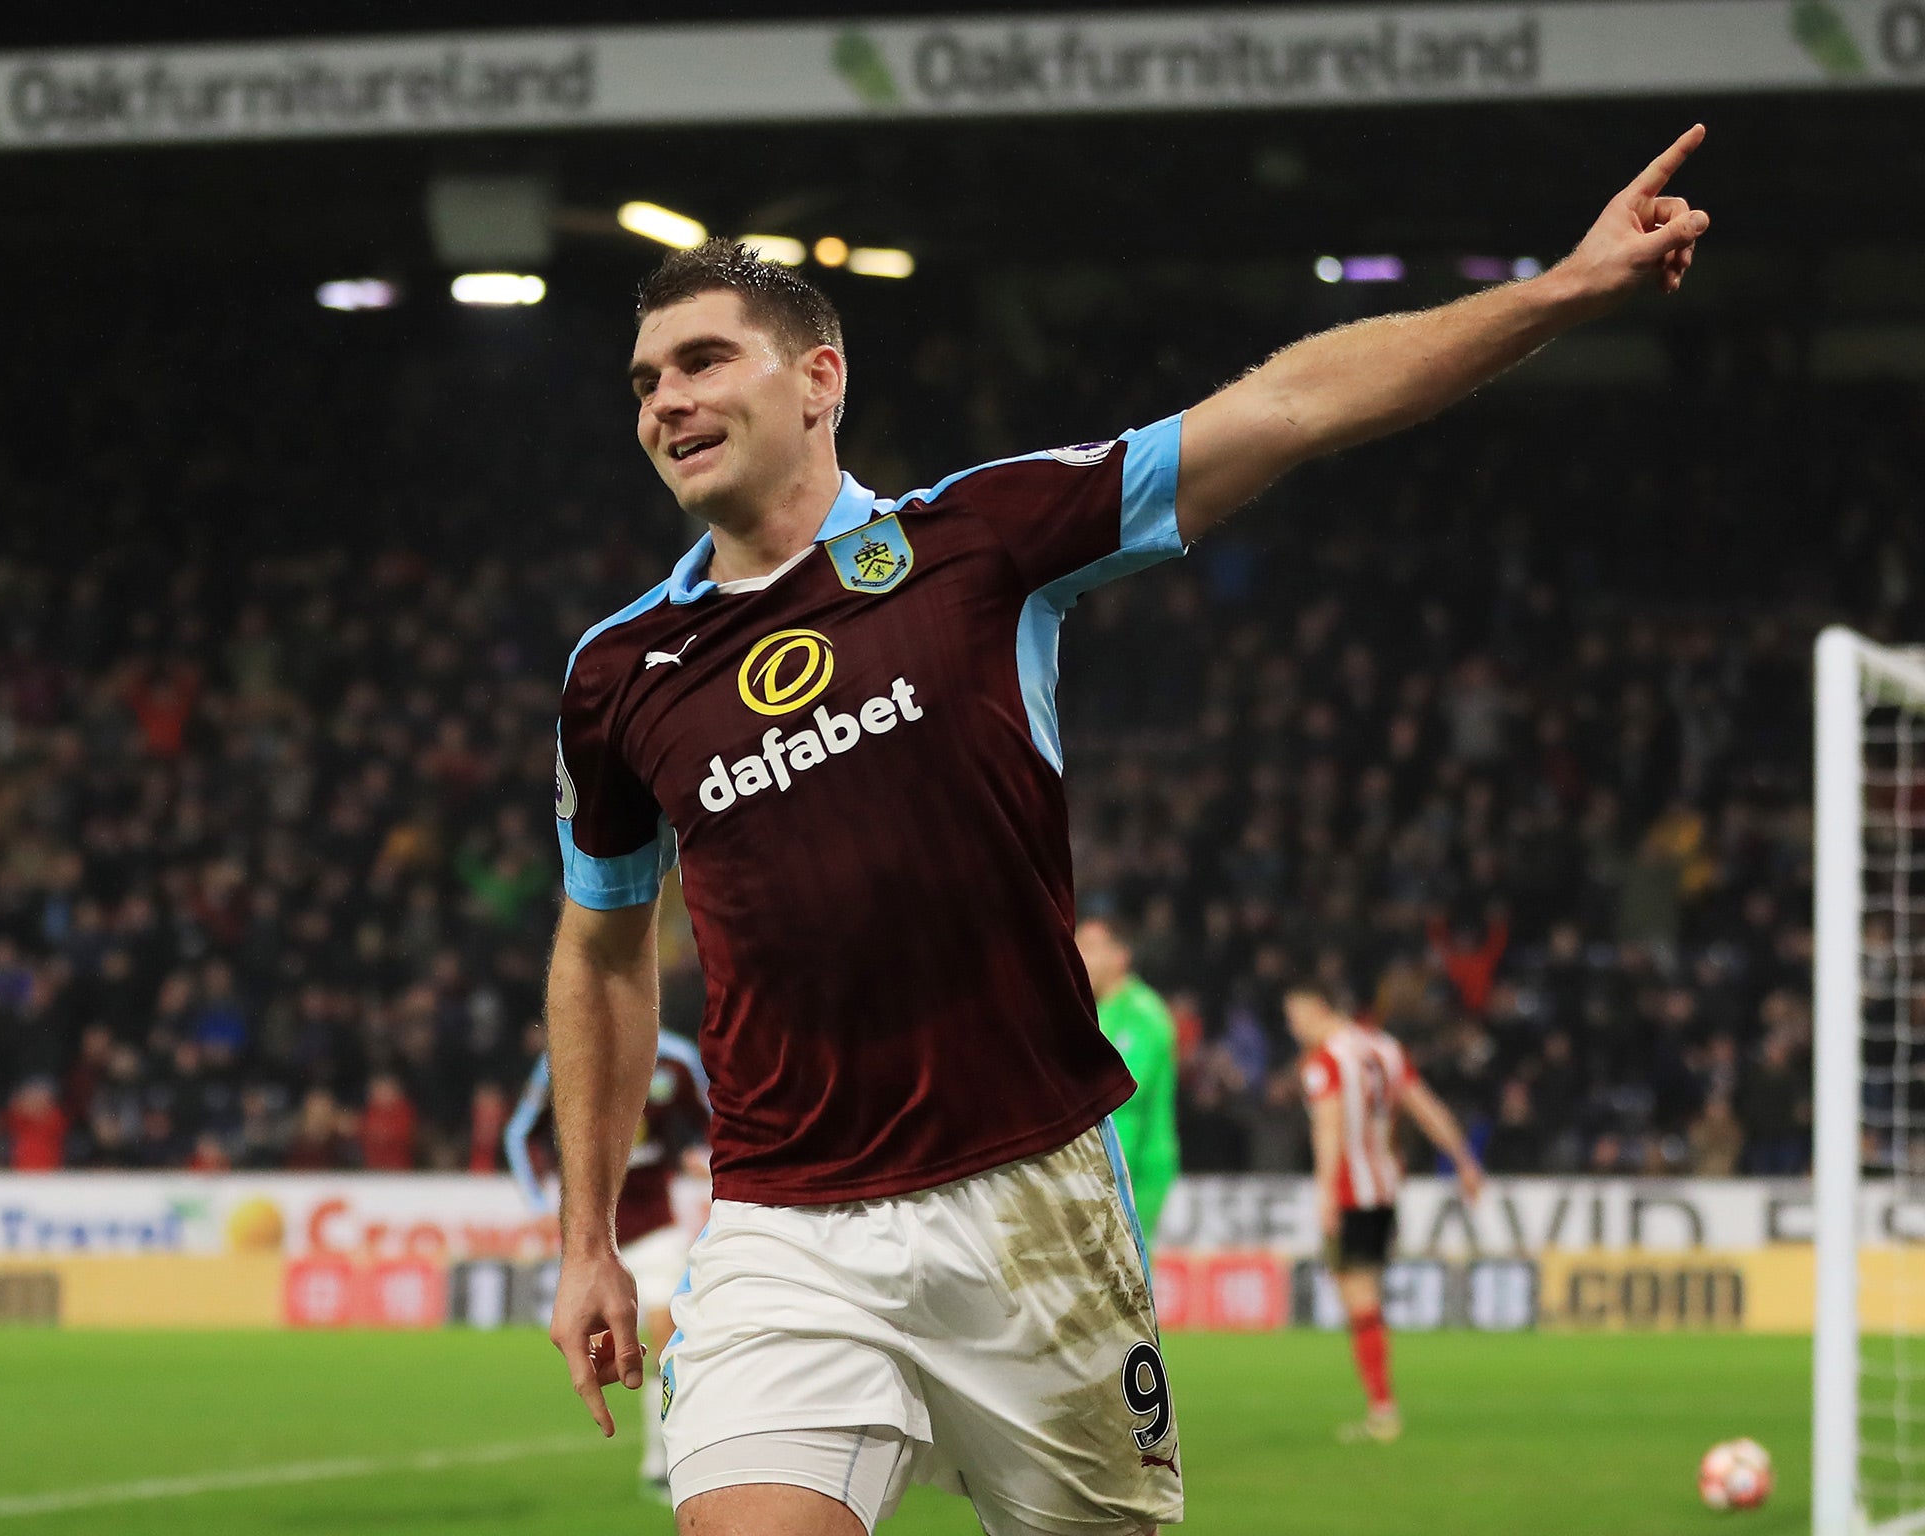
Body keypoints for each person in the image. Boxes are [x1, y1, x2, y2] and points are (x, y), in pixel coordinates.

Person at [546, 126, 1709, 1536]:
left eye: (704, 360)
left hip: (1030, 1203)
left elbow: (1286, 407)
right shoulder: (619, 675)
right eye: (646, 381)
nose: (666, 400)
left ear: (818, 379)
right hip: (783, 1222)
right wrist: (587, 1239)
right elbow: (604, 949)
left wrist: (1559, 292)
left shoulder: (979, 546)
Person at [509, 1033, 708, 1503]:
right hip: (592, 1237)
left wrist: (703, 1156)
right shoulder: (564, 1057)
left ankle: (661, 1465)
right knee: (604, 1354)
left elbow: (713, 1121)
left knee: (664, 1342)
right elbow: (520, 1133)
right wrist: (538, 1200)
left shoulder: (675, 1061)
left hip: (656, 1229)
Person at [1285, 981, 1484, 1444]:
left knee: (1359, 1299)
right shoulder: (1385, 1048)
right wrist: (1464, 1161)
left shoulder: (1325, 1062)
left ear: (1319, 1010)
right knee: (1366, 1295)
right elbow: (1425, 1108)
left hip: (1351, 1193)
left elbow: (1329, 1130)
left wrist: (1326, 1196)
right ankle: (1382, 1407)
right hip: (1385, 1190)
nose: (1295, 1030)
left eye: (1296, 1018)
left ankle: (1382, 1409)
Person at [1075, 914, 1181, 1247]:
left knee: (1128, 1272)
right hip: (1091, 1166)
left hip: (1135, 1167)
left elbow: (1122, 1087)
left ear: (1120, 956)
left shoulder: (1144, 1013)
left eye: (1090, 947)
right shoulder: (1086, 1008)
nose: (1077, 954)